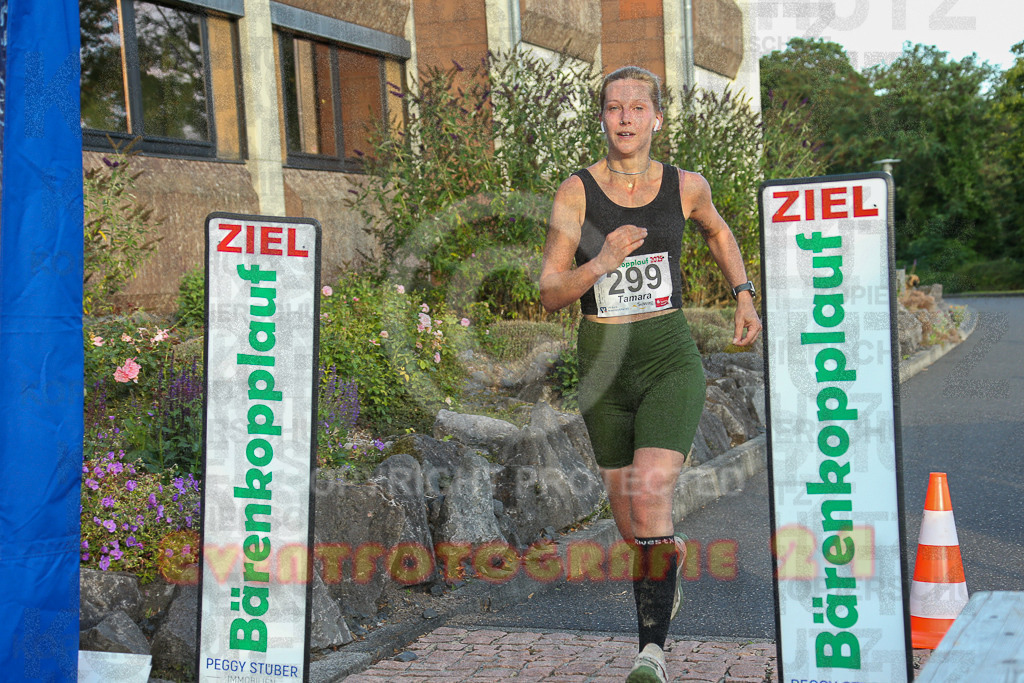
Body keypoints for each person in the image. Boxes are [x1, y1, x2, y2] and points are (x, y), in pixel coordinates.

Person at [538, 66, 761, 683]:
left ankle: (650, 655)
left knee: (651, 492)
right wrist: (604, 258)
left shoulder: (688, 186)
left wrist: (743, 292)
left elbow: (718, 231)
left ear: (657, 118)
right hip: (603, 365)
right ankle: (665, 561)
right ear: (603, 119)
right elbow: (551, 290)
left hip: (668, 358)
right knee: (631, 521)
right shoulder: (576, 194)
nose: (627, 117)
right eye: (615, 108)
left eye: (639, 107)